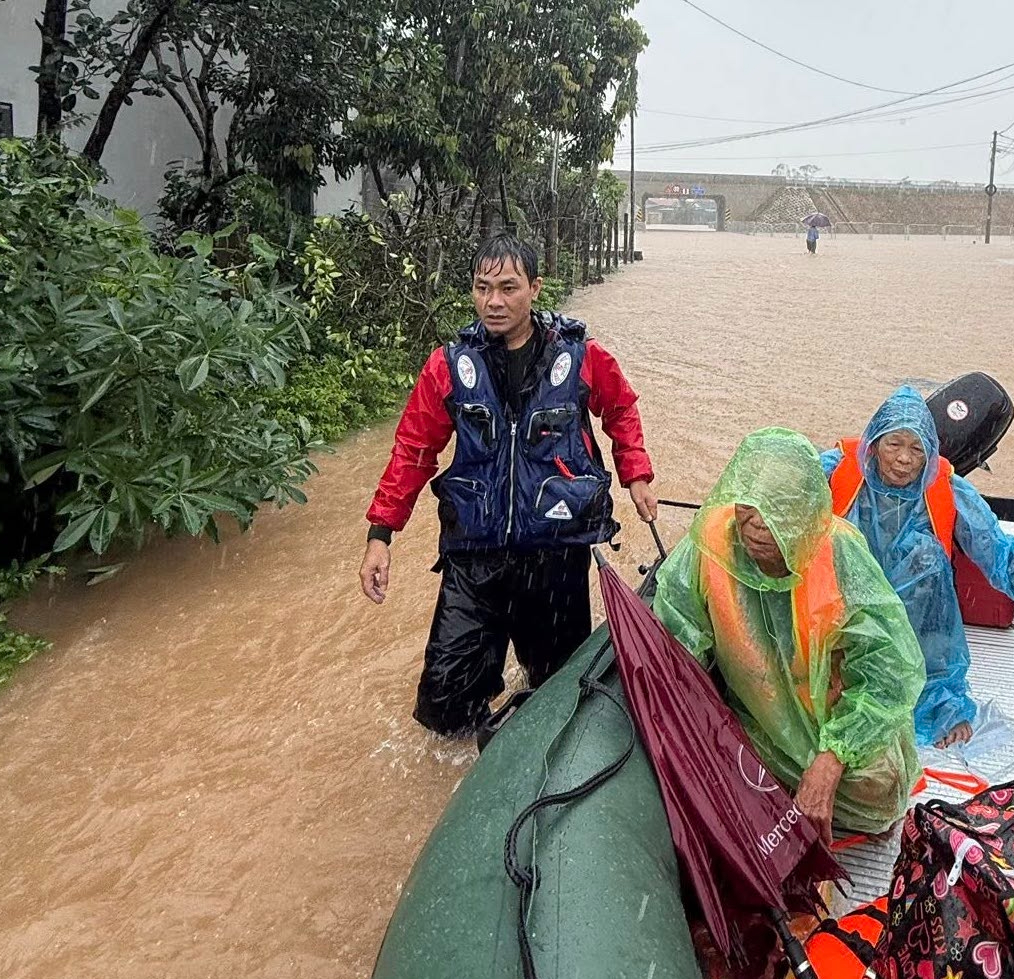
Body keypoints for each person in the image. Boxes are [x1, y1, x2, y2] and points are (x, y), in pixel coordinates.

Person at [359, 231, 657, 738]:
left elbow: (621, 408)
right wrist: (380, 535)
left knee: (558, 698)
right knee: (446, 704)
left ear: (535, 288)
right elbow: (413, 450)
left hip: (555, 555)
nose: (493, 301)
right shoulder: (449, 366)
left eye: (507, 287)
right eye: (482, 288)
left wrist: (637, 474)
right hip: (475, 560)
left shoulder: (582, 357)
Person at [653, 428, 924, 843]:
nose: (757, 525)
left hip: (831, 715)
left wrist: (832, 759)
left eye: (776, 511)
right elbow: (675, 643)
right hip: (755, 717)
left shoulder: (840, 553)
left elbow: (890, 672)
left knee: (880, 791)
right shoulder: (708, 547)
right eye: (749, 507)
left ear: (806, 514)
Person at [822, 387, 1014, 748]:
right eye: (893, 444)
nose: (903, 459)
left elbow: (1000, 555)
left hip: (915, 624)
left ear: (931, 452)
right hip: (843, 611)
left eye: (917, 449)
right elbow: (780, 489)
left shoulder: (947, 489)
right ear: (873, 444)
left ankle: (931, 698)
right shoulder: (835, 470)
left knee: (927, 559)